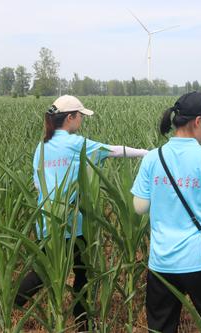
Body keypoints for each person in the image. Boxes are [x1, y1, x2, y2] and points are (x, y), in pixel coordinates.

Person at [19, 95, 148, 330]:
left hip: (46, 220)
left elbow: (38, 184)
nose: (81, 121)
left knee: (43, 271)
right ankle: (82, 325)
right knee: (81, 275)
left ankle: (9, 303)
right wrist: (145, 153)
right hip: (71, 222)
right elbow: (112, 151)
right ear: (70, 117)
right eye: (80, 116)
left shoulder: (42, 146)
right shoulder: (75, 143)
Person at [131, 92, 201, 333]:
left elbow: (139, 207)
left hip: (161, 262)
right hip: (199, 261)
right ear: (198, 121)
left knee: (160, 327)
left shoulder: (153, 157)